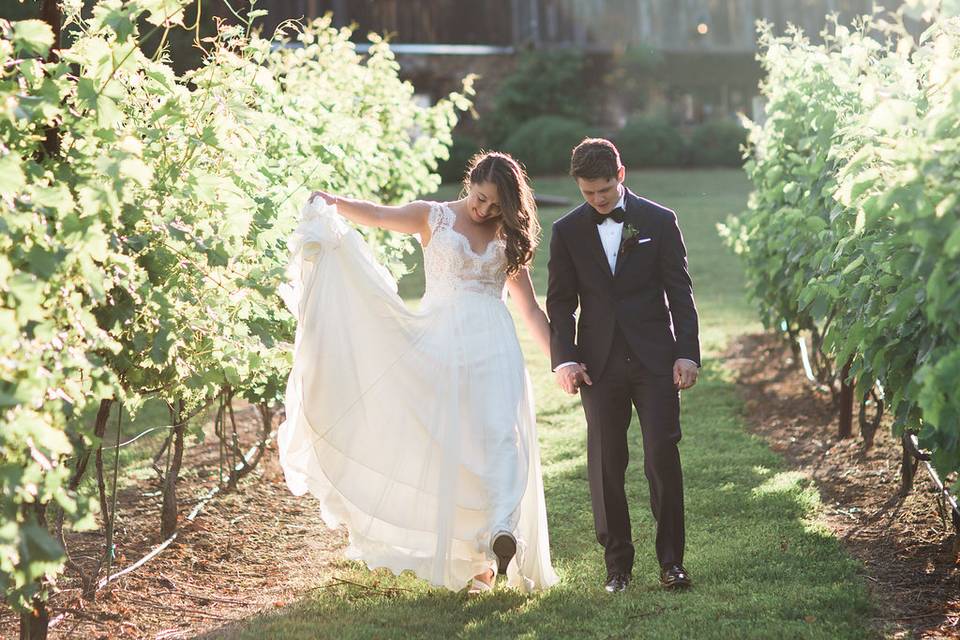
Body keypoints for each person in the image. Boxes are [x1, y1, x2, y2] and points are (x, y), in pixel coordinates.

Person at [278, 151, 559, 594]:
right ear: (470, 184)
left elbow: (529, 308)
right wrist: (333, 202)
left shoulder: (508, 237)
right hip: (442, 340)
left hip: (494, 343)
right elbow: (377, 215)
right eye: (480, 199)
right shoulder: (433, 217)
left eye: (495, 205)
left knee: (501, 434)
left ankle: (502, 529)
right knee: (457, 444)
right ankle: (478, 567)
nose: (484, 210)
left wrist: (561, 360)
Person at [546, 138, 700, 593]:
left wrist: (686, 352)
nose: (598, 200)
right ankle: (618, 569)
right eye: (589, 193)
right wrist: (566, 359)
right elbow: (560, 303)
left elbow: (681, 294)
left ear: (622, 175)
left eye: (606, 191)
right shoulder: (567, 231)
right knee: (606, 463)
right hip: (599, 364)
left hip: (655, 360)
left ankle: (672, 563)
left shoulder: (659, 220)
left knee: (661, 456)